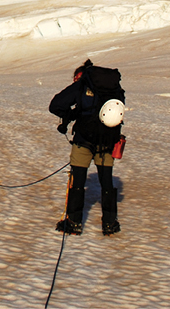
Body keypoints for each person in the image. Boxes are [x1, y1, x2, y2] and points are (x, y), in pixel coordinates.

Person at [49, 59, 124, 236]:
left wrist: (71, 115)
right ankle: (110, 223)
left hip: (84, 139)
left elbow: (56, 105)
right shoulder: (113, 88)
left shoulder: (82, 85)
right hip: (107, 140)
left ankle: (74, 222)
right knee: (106, 181)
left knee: (78, 181)